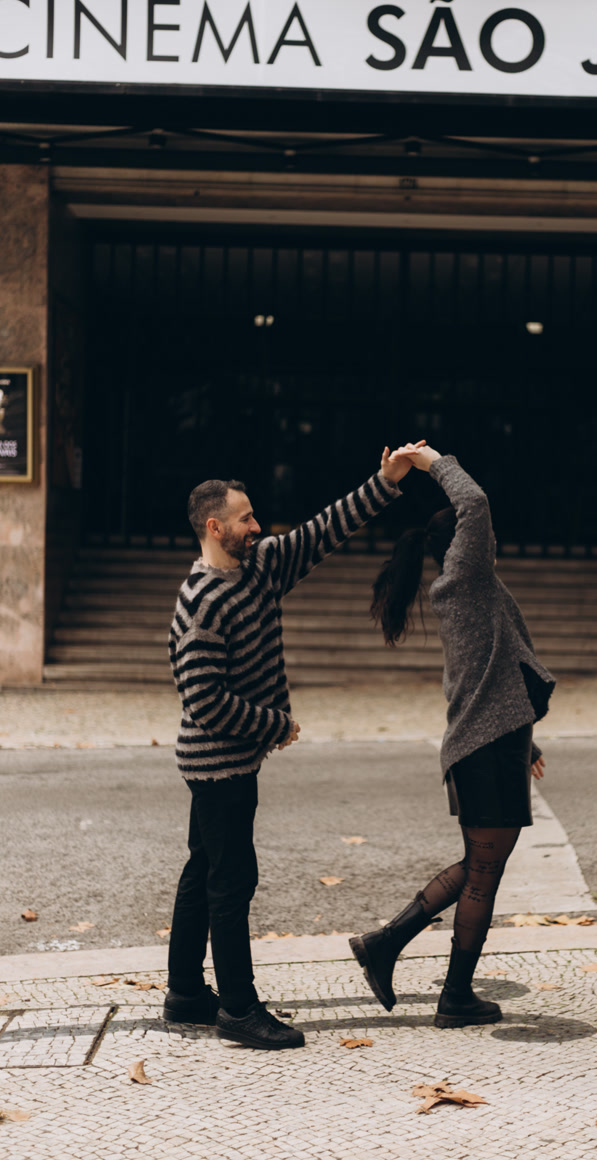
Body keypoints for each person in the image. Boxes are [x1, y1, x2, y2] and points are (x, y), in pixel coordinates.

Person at [163, 443, 423, 1049]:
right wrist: (273, 724)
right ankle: (237, 1009)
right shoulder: (200, 604)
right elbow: (205, 702)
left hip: (229, 759)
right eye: (246, 517)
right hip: (217, 763)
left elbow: (323, 529)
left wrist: (384, 481)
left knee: (203, 870)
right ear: (214, 526)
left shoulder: (260, 566)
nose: (257, 526)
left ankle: (183, 993)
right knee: (231, 882)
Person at [349, 446, 555, 1029]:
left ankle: (385, 945)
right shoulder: (466, 578)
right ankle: (454, 995)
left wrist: (526, 741)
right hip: (485, 751)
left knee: (478, 864)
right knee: (484, 872)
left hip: (493, 742)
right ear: (464, 545)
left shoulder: (473, 590)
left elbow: (485, 680)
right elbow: (475, 501)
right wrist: (434, 460)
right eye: (482, 538)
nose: (492, 541)